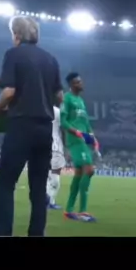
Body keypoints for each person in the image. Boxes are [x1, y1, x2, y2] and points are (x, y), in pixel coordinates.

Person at [0, 16, 63, 237]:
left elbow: (9, 92)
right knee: (38, 188)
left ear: (17, 35)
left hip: (21, 126)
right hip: (44, 129)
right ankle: (36, 233)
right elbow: (59, 96)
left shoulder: (14, 54)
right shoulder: (51, 59)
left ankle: (3, 234)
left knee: (5, 184)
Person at [61, 72, 99, 222]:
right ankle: (83, 211)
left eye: (81, 81)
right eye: (77, 82)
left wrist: (93, 138)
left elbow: (86, 123)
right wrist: (76, 132)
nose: (81, 84)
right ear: (71, 85)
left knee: (79, 173)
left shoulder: (81, 101)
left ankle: (69, 210)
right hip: (76, 139)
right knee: (89, 170)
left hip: (83, 139)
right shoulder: (67, 98)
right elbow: (63, 121)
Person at [46, 105, 65, 209]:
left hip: (52, 146)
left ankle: (49, 201)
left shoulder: (56, 111)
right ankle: (48, 201)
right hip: (52, 146)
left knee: (52, 178)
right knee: (52, 178)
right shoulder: (57, 111)